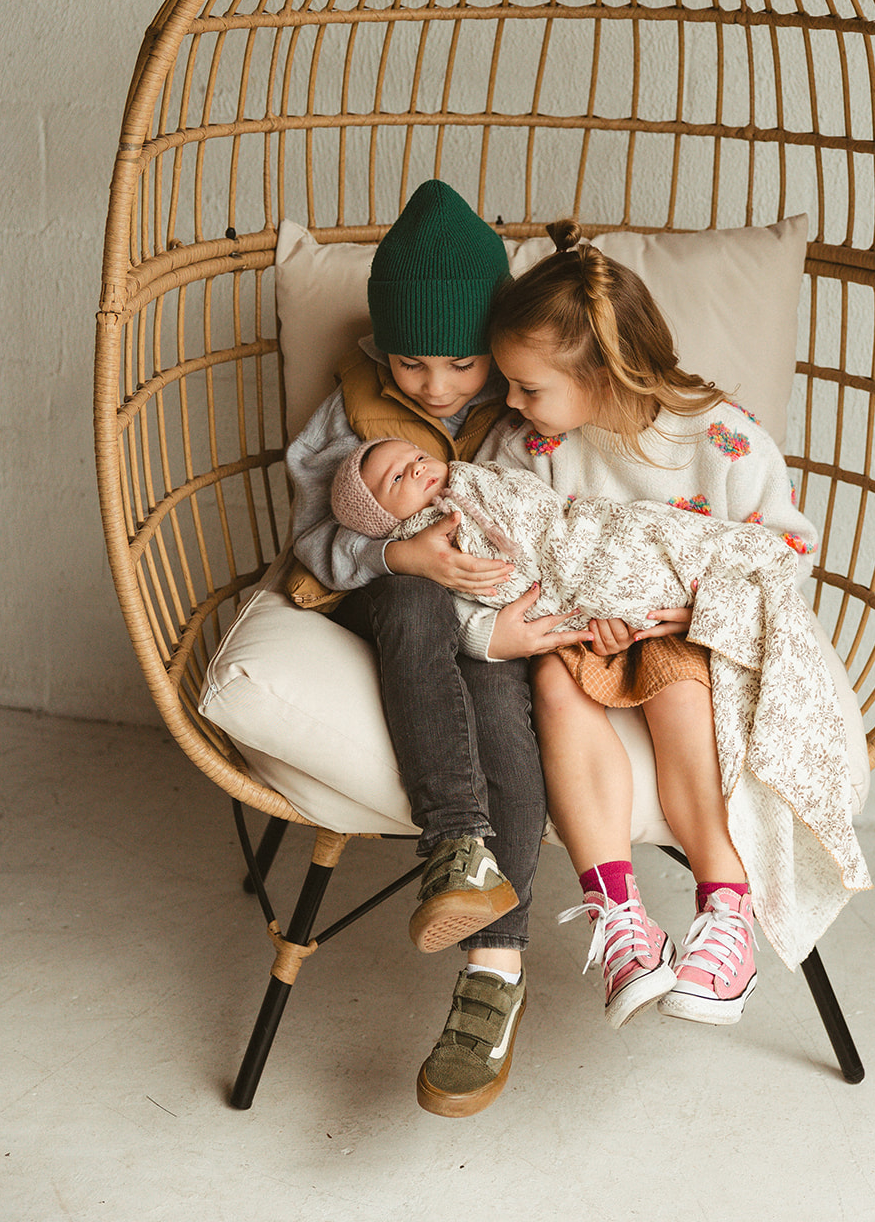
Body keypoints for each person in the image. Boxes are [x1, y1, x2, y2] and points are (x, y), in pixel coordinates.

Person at [475, 219, 870, 1031]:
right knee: (553, 681)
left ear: (604, 372)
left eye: (527, 387)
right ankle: (620, 918)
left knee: (681, 690)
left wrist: (701, 612)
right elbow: (500, 532)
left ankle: (726, 912)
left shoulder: (721, 439)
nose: (508, 401)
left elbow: (783, 552)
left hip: (685, 632)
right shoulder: (527, 447)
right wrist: (576, 617)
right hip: (582, 633)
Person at [285, 181, 584, 1117]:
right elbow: (308, 538)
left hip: (498, 622)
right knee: (416, 600)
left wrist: (514, 620)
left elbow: (570, 519)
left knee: (497, 699)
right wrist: (395, 554)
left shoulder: (524, 402)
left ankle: (495, 970)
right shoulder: (351, 403)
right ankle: (456, 843)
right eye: (411, 362)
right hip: (388, 604)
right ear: (383, 346)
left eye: (461, 362)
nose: (437, 387)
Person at [329, 436, 822, 673]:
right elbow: (459, 606)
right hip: (563, 592)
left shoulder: (476, 472)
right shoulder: (422, 543)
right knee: (633, 591)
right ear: (380, 517)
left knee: (657, 533)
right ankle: (732, 598)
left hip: (587, 533)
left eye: (417, 457)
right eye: (398, 478)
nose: (418, 469)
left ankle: (751, 574)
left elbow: (537, 501)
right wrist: (487, 637)